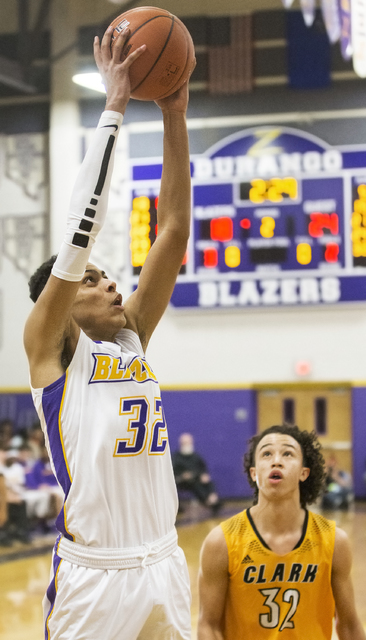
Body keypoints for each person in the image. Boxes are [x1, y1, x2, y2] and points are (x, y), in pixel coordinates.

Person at [24, 25, 194, 640]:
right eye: (94, 281)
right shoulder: (52, 351)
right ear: (62, 301)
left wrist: (174, 113)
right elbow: (77, 238)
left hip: (164, 563)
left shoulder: (129, 339)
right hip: (95, 580)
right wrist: (115, 106)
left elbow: (172, 231)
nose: (114, 285)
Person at [197, 424, 366, 640]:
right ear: (254, 473)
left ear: (304, 472)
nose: (276, 460)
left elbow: (349, 626)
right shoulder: (221, 541)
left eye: (288, 453)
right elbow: (208, 626)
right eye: (266, 454)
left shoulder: (334, 541)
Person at [172, 433, 222, 515]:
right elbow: (173, 471)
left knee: (205, 482)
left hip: (195, 480)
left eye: (188, 442)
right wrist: (182, 475)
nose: (186, 445)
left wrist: (203, 475)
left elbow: (203, 469)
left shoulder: (196, 456)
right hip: (180, 481)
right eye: (184, 443)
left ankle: (211, 500)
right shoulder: (175, 457)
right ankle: (177, 507)